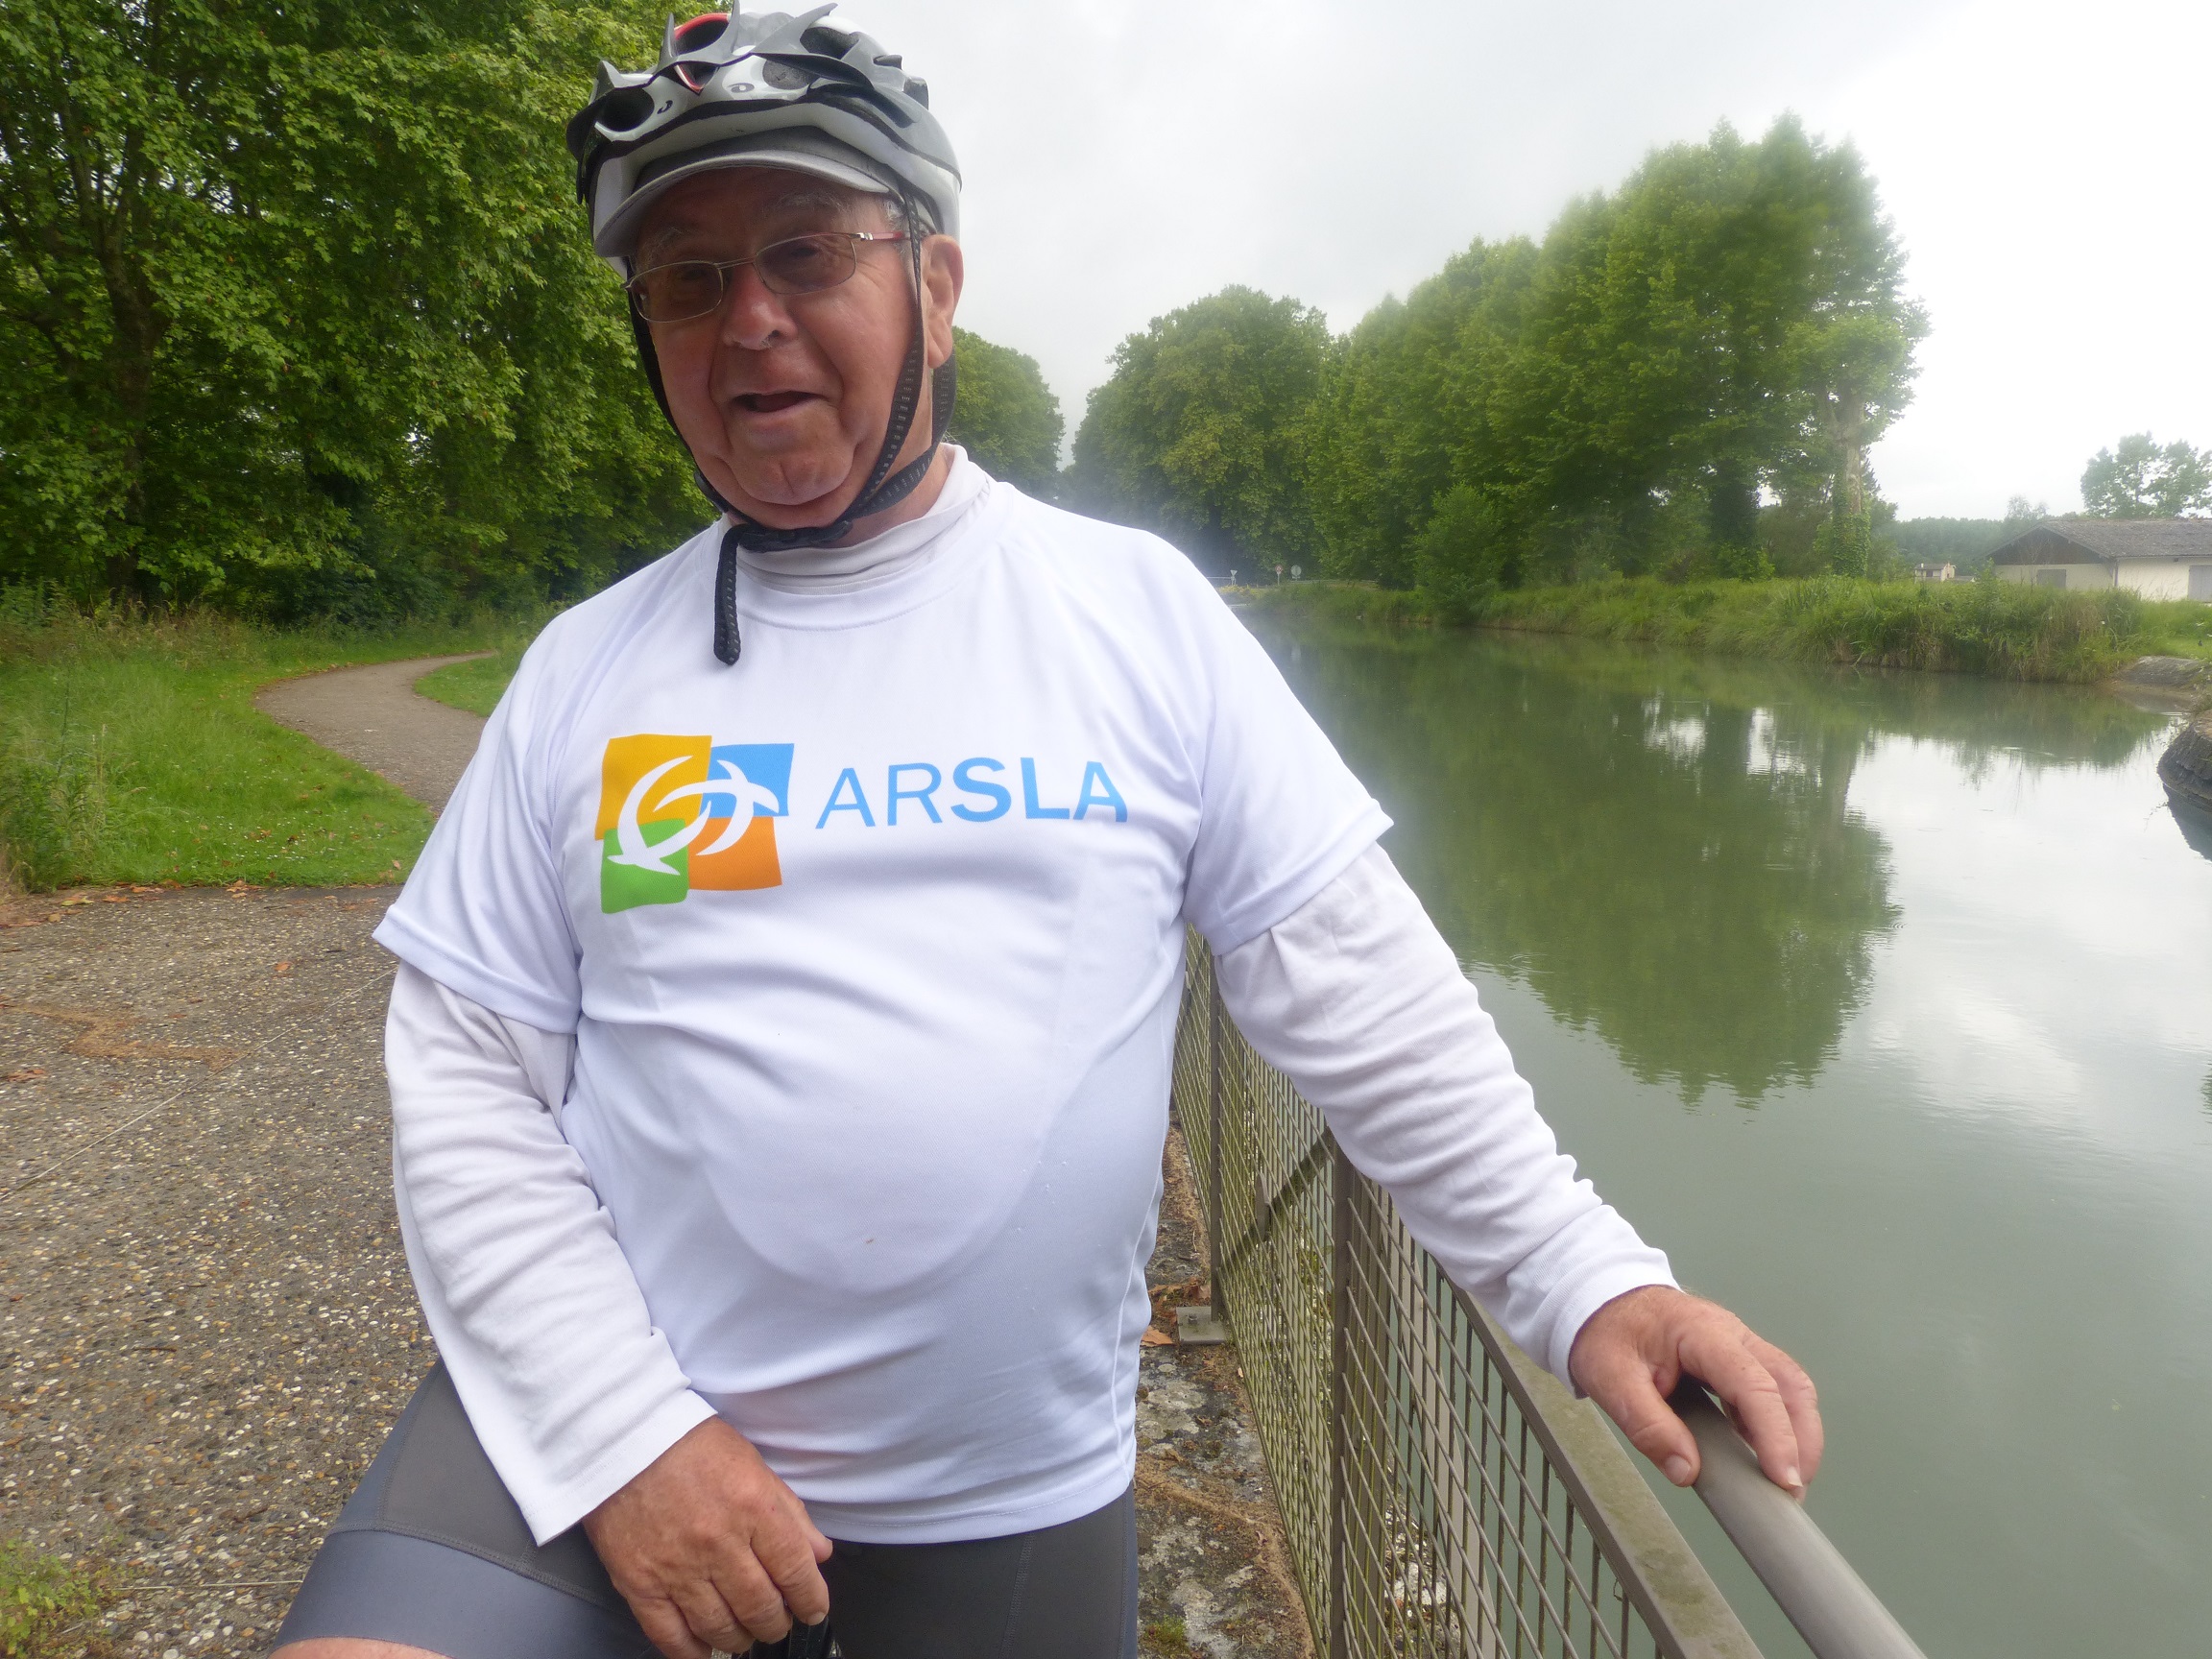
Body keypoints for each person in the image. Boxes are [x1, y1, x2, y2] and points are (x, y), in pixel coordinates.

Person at [275, 10, 1820, 1659]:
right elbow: (461, 1079)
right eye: (689, 278)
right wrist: (624, 1437)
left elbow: (1363, 995)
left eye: (806, 250)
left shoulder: (1134, 615)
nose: (751, 322)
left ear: (934, 291)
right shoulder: (590, 668)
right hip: (593, 1460)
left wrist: (1593, 1281)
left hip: (992, 1506)